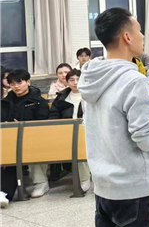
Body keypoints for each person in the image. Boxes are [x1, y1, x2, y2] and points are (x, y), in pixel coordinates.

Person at [78, 8, 149, 227]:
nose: (143, 36)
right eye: (139, 30)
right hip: (135, 190)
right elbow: (145, 139)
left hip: (104, 186)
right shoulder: (134, 80)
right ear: (127, 37)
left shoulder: (90, 78)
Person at [1, 69, 50, 203]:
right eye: (12, 84)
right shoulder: (5, 102)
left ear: (28, 82)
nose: (16, 86)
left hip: (33, 138)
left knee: (19, 152)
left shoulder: (38, 101)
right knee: (8, 153)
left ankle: (40, 183)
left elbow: (44, 122)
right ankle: (4, 192)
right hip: (9, 139)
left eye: (19, 82)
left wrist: (24, 125)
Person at [49, 68, 92, 192]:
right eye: (72, 80)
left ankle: (84, 178)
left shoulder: (90, 95)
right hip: (65, 132)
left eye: (78, 79)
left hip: (87, 132)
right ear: (66, 82)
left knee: (80, 147)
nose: (75, 82)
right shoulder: (61, 97)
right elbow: (53, 115)